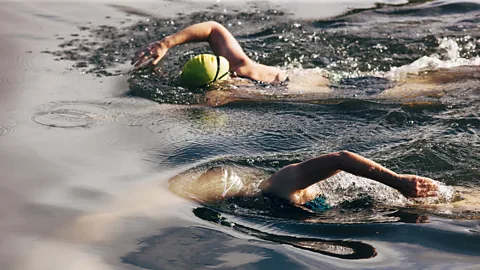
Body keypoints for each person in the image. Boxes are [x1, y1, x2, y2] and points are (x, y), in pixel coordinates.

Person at [190, 150, 438, 206]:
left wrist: (398, 181)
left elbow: (341, 158)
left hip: (382, 193)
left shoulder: (275, 185)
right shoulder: (258, 195)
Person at [131, 21, 289, 83]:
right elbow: (213, 28)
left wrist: (166, 43)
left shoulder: (241, 71)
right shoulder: (238, 65)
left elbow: (213, 28)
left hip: (297, 88)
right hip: (293, 77)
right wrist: (164, 44)